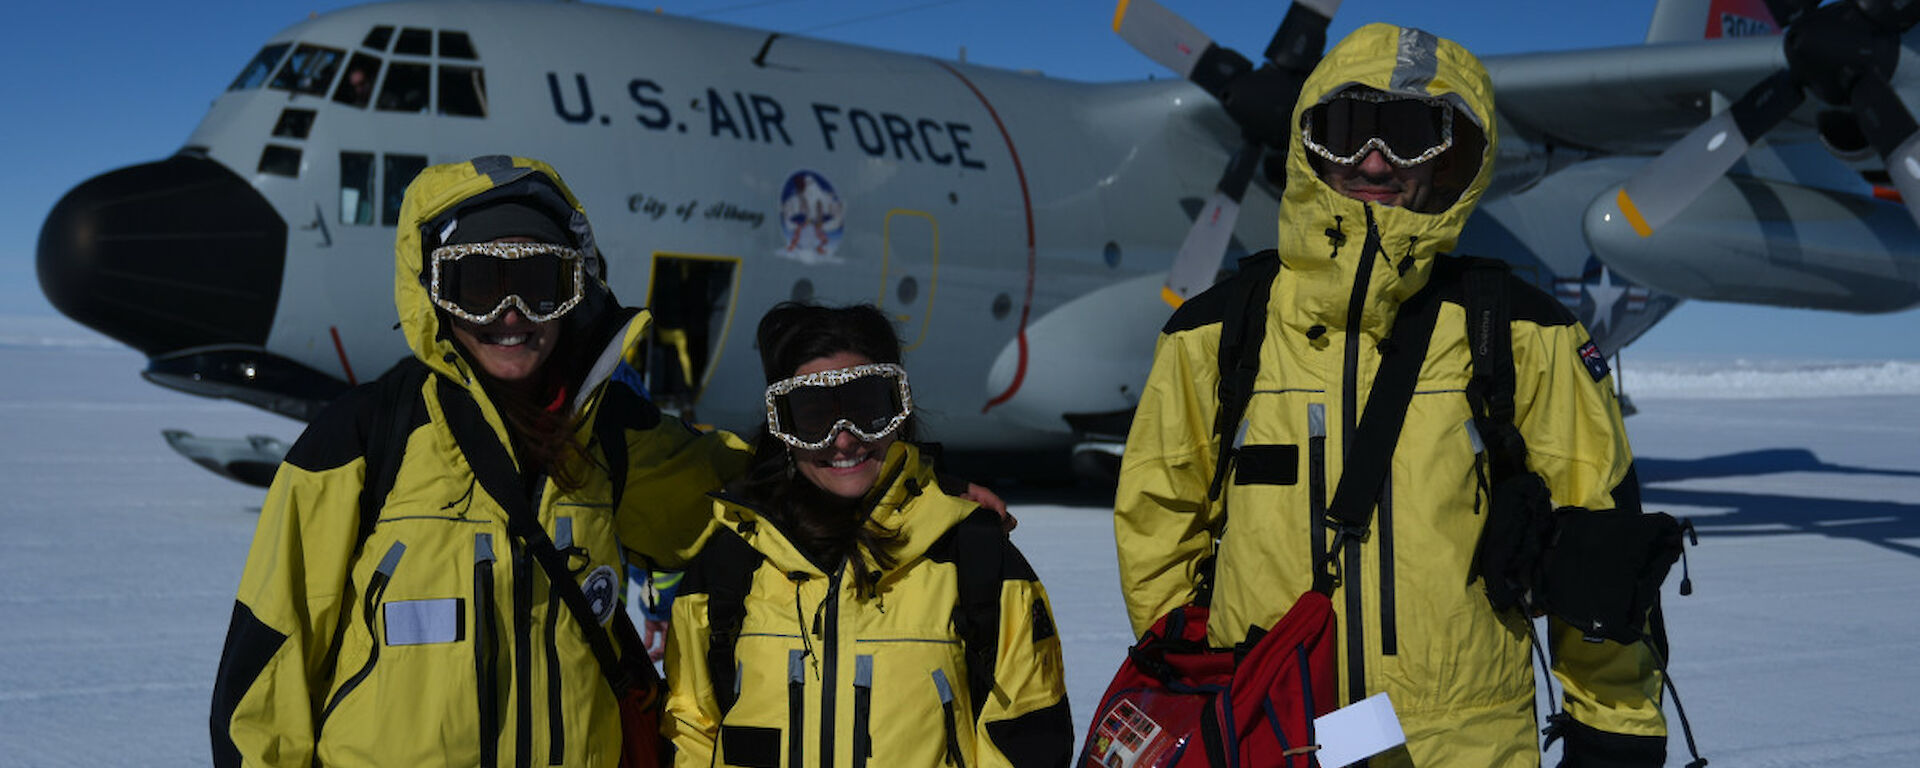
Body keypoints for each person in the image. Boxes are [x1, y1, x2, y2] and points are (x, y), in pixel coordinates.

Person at [1114, 24, 1669, 768]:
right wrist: (1192, 673)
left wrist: (1615, 723)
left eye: (1411, 132)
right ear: (1309, 145)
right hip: (1269, 732)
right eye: (1345, 131)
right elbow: (1160, 521)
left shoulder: (1522, 332)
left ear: (1451, 155)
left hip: (1463, 742)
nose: (1375, 159)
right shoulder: (1217, 333)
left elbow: (1598, 542)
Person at [209, 156, 749, 767]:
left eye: (541, 285)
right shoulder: (363, 441)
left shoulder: (611, 435)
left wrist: (842, 427)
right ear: (435, 292)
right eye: (480, 285)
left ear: (576, 294)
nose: (510, 312)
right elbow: (266, 679)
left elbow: (750, 506)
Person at [662, 302, 1072, 768]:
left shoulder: (974, 559)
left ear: (899, 410)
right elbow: (692, 727)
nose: (843, 439)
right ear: (784, 429)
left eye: (867, 409)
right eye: (814, 415)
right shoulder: (732, 561)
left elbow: (1026, 736)